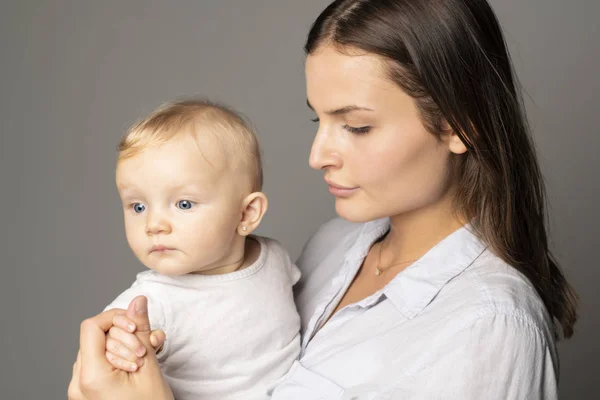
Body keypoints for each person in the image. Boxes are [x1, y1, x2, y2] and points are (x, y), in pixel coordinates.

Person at [68, 0, 579, 399]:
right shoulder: (332, 246)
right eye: (320, 119)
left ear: (458, 126)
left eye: (356, 126)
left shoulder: (489, 327)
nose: (318, 155)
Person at [89, 100, 301, 399]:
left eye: (183, 204)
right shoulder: (149, 303)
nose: (153, 224)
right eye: (138, 206)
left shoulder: (274, 258)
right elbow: (108, 349)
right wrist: (122, 343)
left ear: (246, 214)